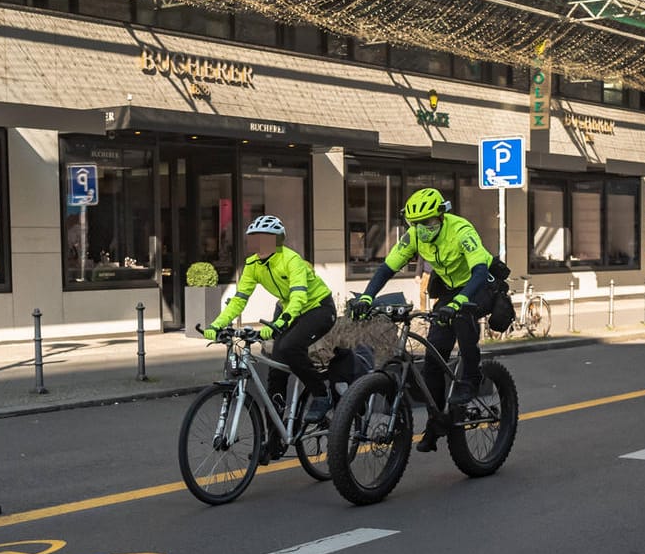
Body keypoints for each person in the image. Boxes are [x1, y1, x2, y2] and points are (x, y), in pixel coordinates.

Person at [349, 187, 495, 453]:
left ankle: (471, 379)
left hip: (481, 285)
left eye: (428, 222)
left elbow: (480, 271)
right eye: (417, 223)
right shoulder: (415, 235)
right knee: (432, 359)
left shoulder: (461, 230)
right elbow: (387, 267)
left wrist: (460, 302)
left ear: (441, 215)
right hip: (450, 290)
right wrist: (367, 297)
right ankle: (436, 421)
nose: (422, 228)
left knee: (462, 318)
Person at [204, 215, 337, 436]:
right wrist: (217, 324)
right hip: (288, 310)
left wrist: (279, 323)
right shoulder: (253, 265)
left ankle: (322, 395)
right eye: (254, 238)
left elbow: (298, 298)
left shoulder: (291, 260)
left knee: (289, 347)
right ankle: (274, 440)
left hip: (318, 308)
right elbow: (239, 299)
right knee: (276, 373)